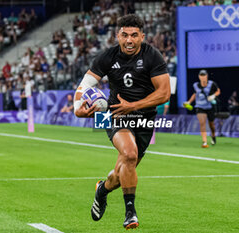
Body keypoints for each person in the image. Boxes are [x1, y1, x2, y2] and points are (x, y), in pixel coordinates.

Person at [73, 14, 170, 229]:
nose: (129, 40)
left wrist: (133, 106)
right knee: (129, 153)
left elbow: (164, 94)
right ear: (117, 35)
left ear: (142, 36)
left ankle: (102, 190)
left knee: (121, 173)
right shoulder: (107, 57)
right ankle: (130, 212)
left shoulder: (152, 56)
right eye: (124, 35)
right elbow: (85, 85)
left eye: (134, 36)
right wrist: (77, 108)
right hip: (114, 114)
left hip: (144, 118)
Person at [184, 70, 220, 148]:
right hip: (200, 107)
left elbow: (218, 91)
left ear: (207, 76)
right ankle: (204, 142)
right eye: (201, 75)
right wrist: (189, 102)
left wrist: (213, 96)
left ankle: (213, 136)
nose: (202, 77)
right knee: (202, 123)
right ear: (199, 77)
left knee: (212, 125)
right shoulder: (196, 85)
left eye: (204, 75)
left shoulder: (212, 84)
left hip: (210, 107)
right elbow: (194, 94)